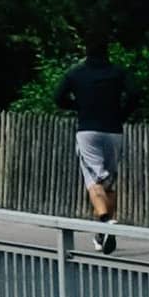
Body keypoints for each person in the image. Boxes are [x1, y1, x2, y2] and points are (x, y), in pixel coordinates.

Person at [58, 38, 136, 230]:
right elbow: (135, 94)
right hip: (114, 131)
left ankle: (105, 223)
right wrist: (122, 114)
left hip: (88, 131)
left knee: (94, 180)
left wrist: (78, 106)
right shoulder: (118, 72)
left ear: (87, 52)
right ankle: (103, 233)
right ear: (107, 52)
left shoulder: (75, 73)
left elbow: (58, 97)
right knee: (108, 182)